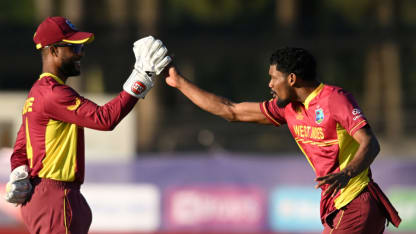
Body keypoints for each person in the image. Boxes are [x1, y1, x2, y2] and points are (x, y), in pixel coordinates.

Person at [165, 47, 401, 233]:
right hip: (339, 206)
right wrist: (179, 82)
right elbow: (231, 110)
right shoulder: (288, 108)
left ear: (291, 79)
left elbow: (370, 143)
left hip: (355, 201)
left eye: (273, 78)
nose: (269, 85)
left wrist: (348, 172)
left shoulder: (334, 99)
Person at [4, 16, 171, 234]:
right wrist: (142, 77)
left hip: (52, 197)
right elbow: (104, 119)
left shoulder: (38, 92)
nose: (80, 52)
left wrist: (18, 170)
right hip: (56, 198)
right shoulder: (54, 93)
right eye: (73, 47)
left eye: (80, 46)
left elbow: (20, 147)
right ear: (53, 51)